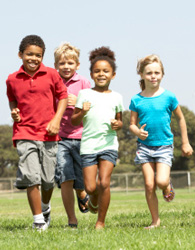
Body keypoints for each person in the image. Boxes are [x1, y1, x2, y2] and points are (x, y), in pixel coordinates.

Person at [6, 35, 68, 231]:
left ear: (43, 56)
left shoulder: (51, 74)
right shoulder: (12, 79)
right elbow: (13, 99)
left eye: (38, 55)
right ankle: (38, 220)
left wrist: (56, 120)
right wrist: (14, 112)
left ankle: (45, 207)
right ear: (20, 54)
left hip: (49, 134)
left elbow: (63, 96)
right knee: (31, 177)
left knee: (48, 180)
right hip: (24, 133)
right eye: (29, 54)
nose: (33, 58)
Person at [129, 54, 193, 229]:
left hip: (164, 145)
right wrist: (137, 132)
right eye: (149, 73)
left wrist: (185, 143)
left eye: (157, 72)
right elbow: (132, 125)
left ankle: (167, 186)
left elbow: (181, 119)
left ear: (162, 74)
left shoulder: (169, 97)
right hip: (144, 147)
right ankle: (155, 220)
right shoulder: (136, 99)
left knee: (161, 182)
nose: (153, 76)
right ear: (141, 74)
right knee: (149, 185)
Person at [71, 46, 123, 229]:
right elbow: (74, 120)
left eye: (106, 71)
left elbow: (119, 121)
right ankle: (93, 201)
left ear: (113, 75)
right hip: (88, 146)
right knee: (91, 188)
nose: (101, 74)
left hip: (109, 144)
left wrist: (118, 125)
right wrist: (82, 111)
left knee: (104, 182)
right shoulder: (84, 94)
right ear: (92, 74)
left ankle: (100, 222)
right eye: (97, 71)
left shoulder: (117, 97)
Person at [53, 42, 91, 228]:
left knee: (82, 179)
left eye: (70, 63)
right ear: (56, 65)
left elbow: (93, 107)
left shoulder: (83, 83)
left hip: (82, 136)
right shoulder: (53, 82)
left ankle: (82, 192)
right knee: (65, 177)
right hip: (60, 139)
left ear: (77, 65)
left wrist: (79, 102)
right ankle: (71, 219)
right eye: (62, 63)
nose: (66, 67)